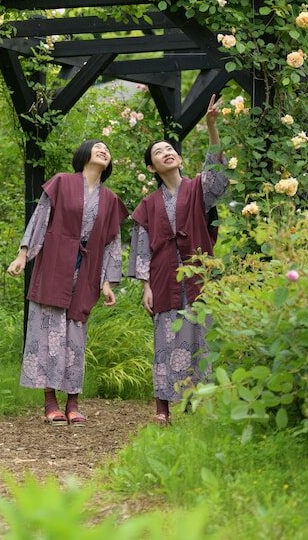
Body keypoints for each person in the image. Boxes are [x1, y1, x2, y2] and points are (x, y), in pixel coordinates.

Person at [7, 140, 128, 426]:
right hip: (54, 264)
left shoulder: (109, 199)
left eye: (107, 149)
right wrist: (23, 255)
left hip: (86, 271)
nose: (103, 150)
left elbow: (112, 243)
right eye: (97, 146)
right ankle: (50, 402)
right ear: (83, 154)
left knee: (75, 336)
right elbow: (40, 219)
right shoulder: (61, 182)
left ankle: (73, 403)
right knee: (48, 332)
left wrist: (108, 282)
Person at [128, 97, 229, 425]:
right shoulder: (148, 204)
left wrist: (212, 127)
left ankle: (196, 403)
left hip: (198, 275)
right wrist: (145, 285)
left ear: (179, 158)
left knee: (199, 335)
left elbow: (217, 179)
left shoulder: (198, 189)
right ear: (151, 167)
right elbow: (142, 246)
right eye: (159, 152)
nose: (167, 153)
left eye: (170, 149)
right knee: (166, 339)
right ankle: (163, 407)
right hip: (162, 278)